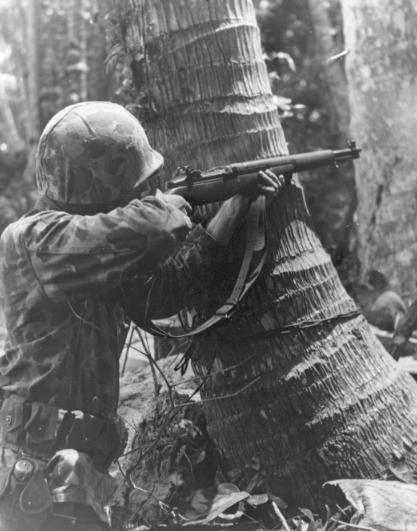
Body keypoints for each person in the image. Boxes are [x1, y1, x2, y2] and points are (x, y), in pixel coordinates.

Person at [0, 101, 283, 531]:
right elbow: (153, 227)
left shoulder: (93, 253)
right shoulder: (35, 239)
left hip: (78, 469)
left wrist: (232, 209)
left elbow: (160, 296)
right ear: (98, 180)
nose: (141, 191)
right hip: (30, 465)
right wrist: (175, 202)